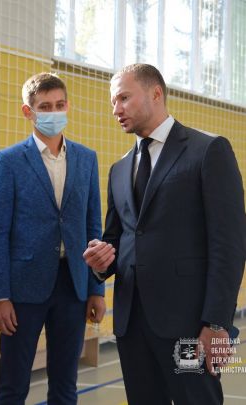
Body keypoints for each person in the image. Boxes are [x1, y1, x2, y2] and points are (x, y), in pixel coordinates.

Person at [83, 63, 245, 405]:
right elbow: (117, 240)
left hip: (189, 328)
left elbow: (229, 245)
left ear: (156, 93)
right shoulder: (119, 169)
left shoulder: (208, 150)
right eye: (113, 102)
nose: (116, 109)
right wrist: (100, 262)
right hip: (131, 327)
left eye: (123, 98)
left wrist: (217, 323)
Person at [0, 72, 106, 404]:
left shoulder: (86, 158)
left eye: (59, 104)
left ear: (67, 106)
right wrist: (0, 295)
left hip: (73, 284)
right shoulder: (9, 161)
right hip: (23, 289)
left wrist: (96, 289)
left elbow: (93, 228)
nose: (54, 112)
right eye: (45, 106)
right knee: (13, 385)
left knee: (66, 385)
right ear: (28, 111)